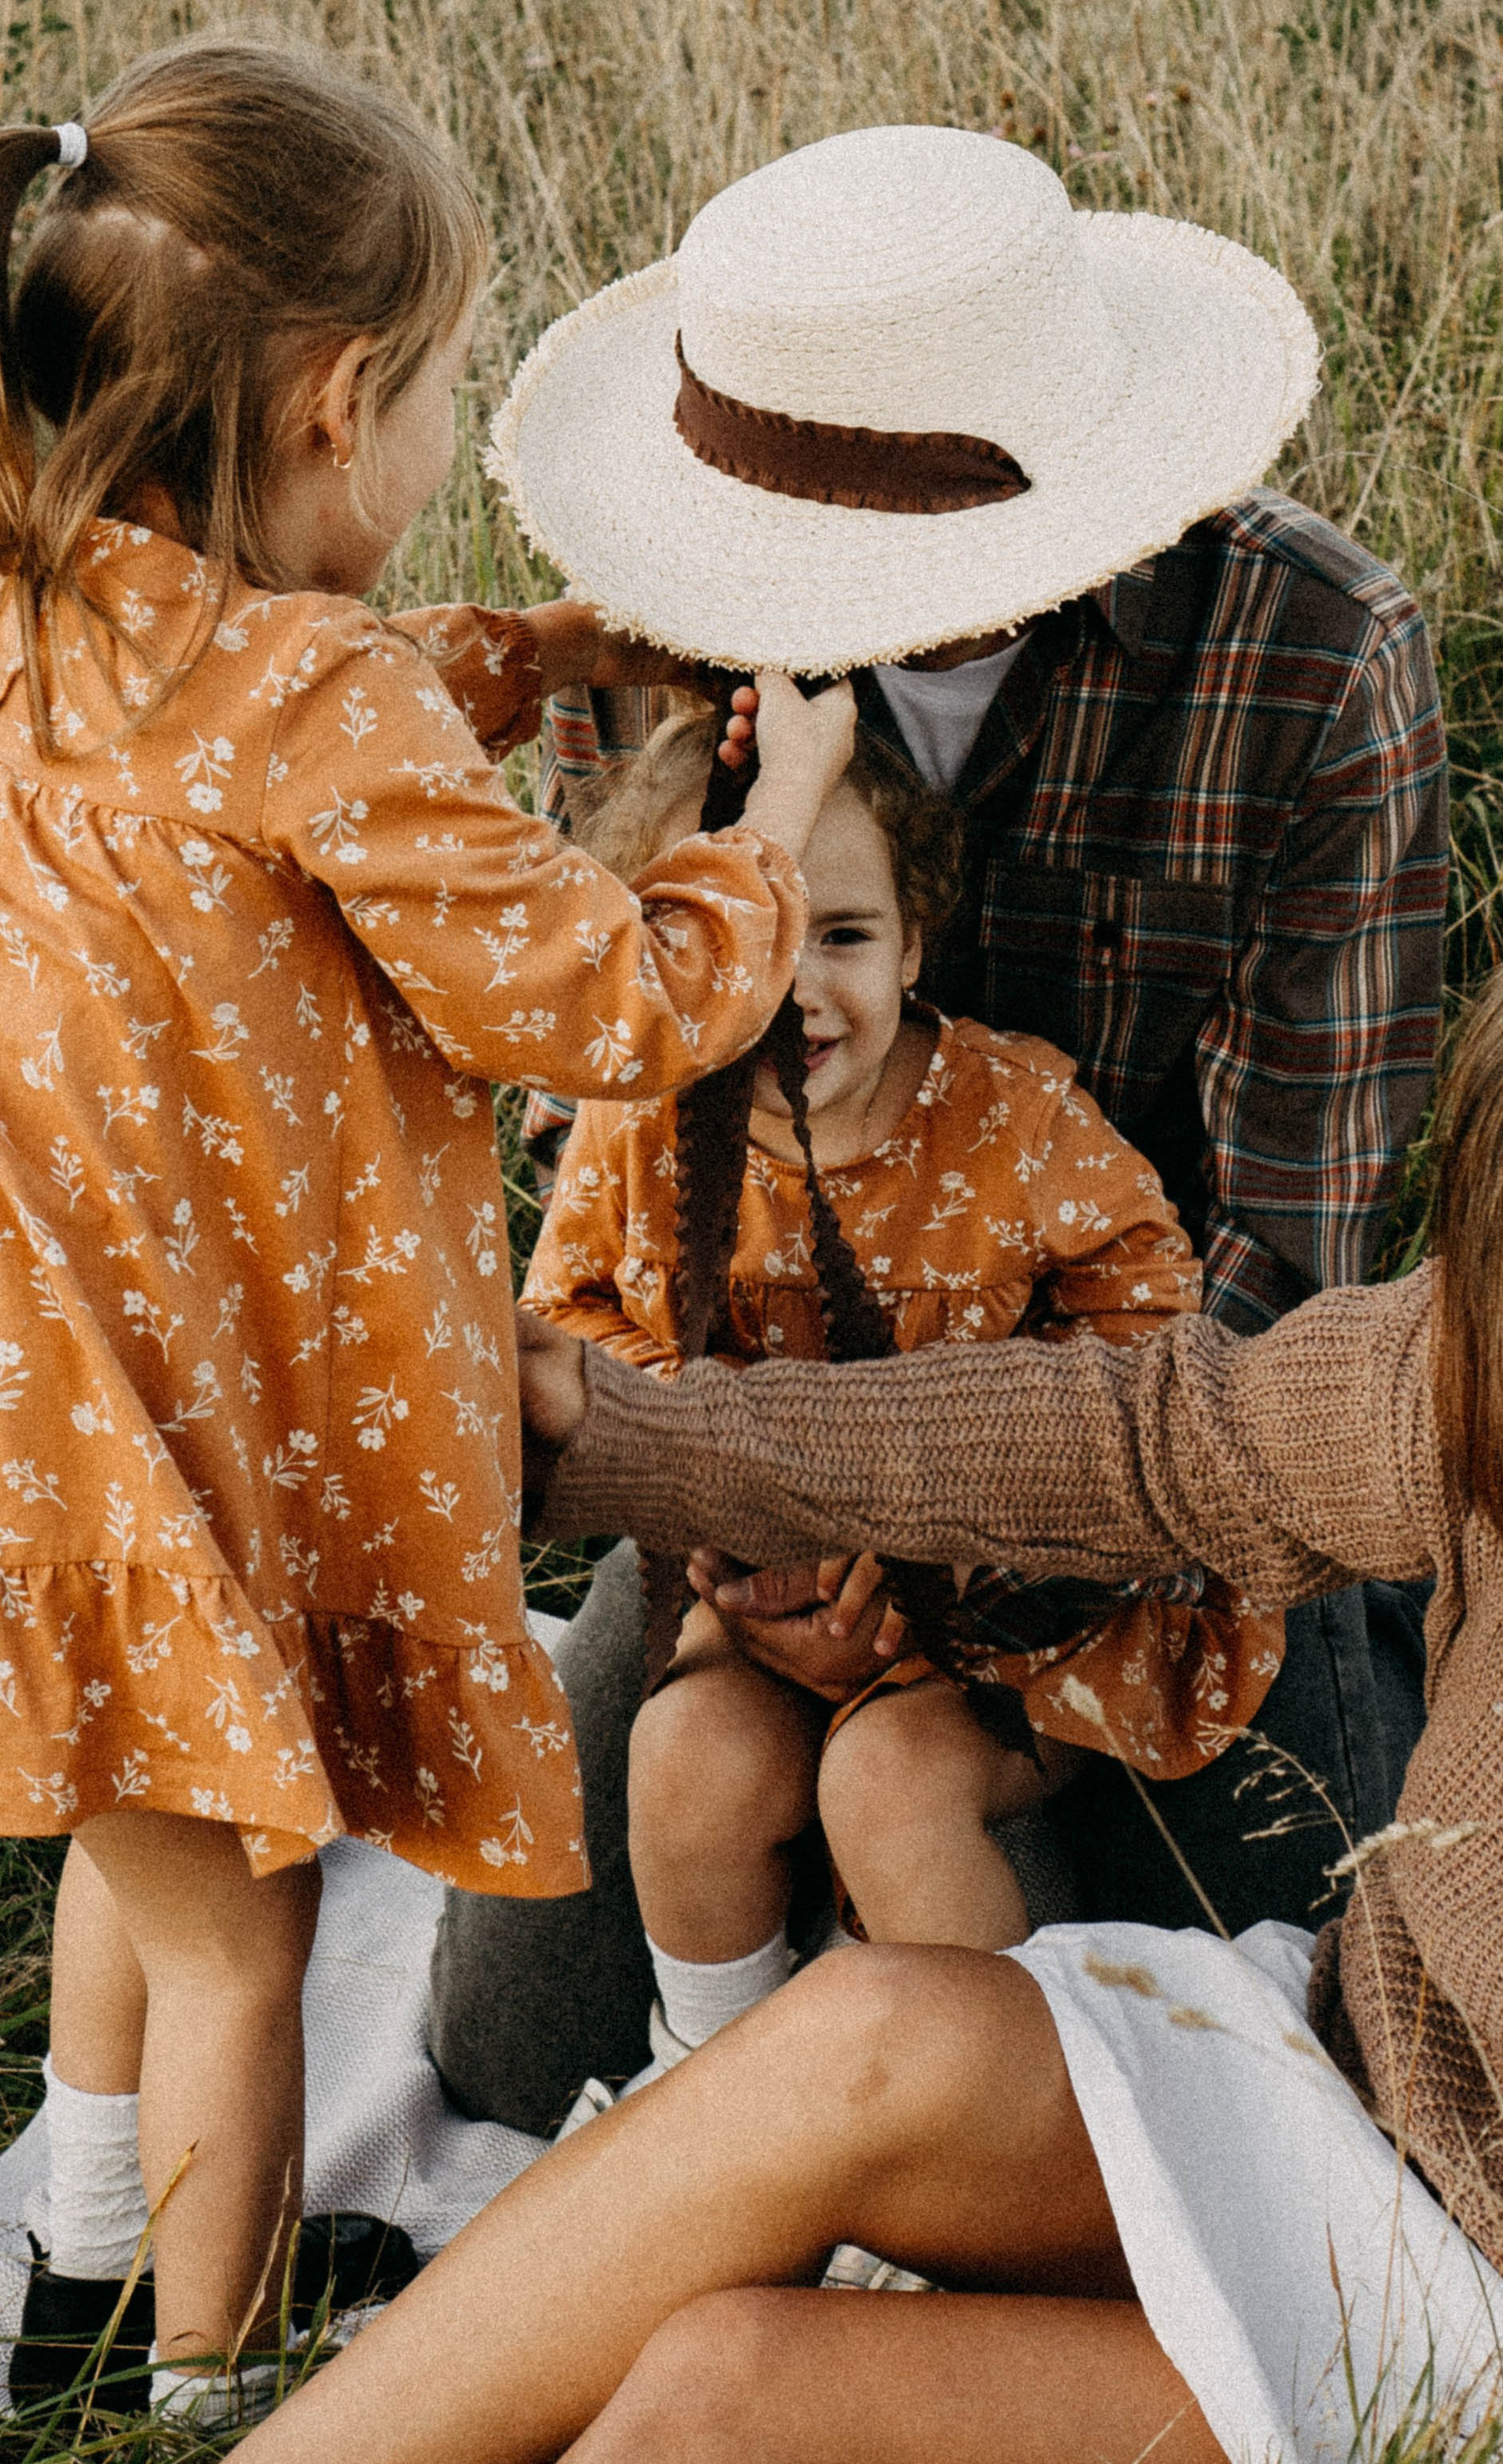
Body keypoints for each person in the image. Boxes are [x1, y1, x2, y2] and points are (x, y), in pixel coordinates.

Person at [84, 917, 1503, 2464]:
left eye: (1501, 1306)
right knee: (857, 2035)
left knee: (736, 2404)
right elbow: (1148, 1438)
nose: (1445, 1335)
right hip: (1348, 2094)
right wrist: (633, 1433)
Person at [0, 41, 853, 2418]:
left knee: (150, 1840)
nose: (432, 448)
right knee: (249, 1940)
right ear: (332, 403)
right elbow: (608, 1001)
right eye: (437, 397)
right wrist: (771, 821)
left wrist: (538, 652)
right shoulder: (305, 693)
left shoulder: (18, 642)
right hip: (184, 1441)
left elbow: (341, 712)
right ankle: (210, 2406)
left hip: (16, 1438)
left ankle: (93, 2263)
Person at [430, 119, 1448, 2130]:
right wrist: (716, 1511)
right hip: (738, 1455)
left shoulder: (1313, 656)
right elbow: (606, 1173)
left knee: (1334, 2040)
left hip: (1158, 1504)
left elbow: (1270, 1272)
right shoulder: (651, 641)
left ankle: (962, 2032)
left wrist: (934, 1549)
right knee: (502, 2044)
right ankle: (794, 2054)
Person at [529, 709, 1284, 2060]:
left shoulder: (1010, 1120)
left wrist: (936, 1517)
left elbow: (1154, 1324)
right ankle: (719, 2087)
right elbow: (569, 1319)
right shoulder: (637, 1123)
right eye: (737, 945)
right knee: (684, 1761)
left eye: (844, 936)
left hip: (1001, 1591)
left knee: (888, 1783)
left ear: (916, 942)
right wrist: (729, 1513)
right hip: (761, 1567)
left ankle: (977, 2133)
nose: (794, 989)